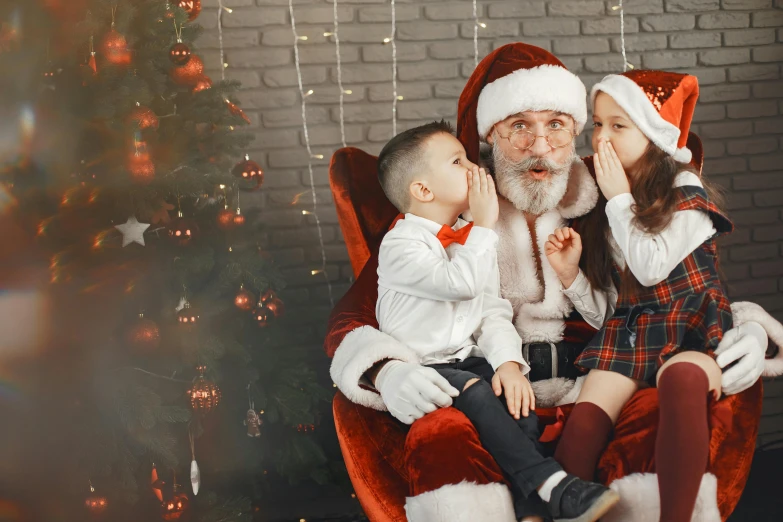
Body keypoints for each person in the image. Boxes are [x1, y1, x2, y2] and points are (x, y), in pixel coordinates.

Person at [326, 43, 773, 522]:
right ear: (489, 139)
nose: (541, 146)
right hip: (491, 389)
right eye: (519, 126)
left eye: (556, 125)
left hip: (593, 378)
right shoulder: (451, 214)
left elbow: (677, 281)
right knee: (442, 439)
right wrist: (387, 370)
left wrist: (747, 329)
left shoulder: (610, 193)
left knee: (654, 417)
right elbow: (355, 316)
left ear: (576, 132)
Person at [373, 120, 619, 522]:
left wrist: (508, 364)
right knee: (476, 391)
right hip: (422, 365)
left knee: (515, 400)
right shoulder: (401, 243)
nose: (475, 168)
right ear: (422, 190)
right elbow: (460, 284)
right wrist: (485, 226)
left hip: (465, 357)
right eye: (458, 161)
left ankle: (531, 512)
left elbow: (492, 308)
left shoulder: (469, 237)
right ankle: (557, 486)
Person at [544, 71, 762, 522]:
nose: (602, 137)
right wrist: (571, 278)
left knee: (682, 379)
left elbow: (652, 266)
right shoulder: (611, 204)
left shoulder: (685, 189)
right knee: (582, 428)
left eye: (618, 125)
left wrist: (619, 200)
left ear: (653, 134)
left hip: (691, 329)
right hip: (634, 333)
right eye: (598, 125)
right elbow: (612, 309)